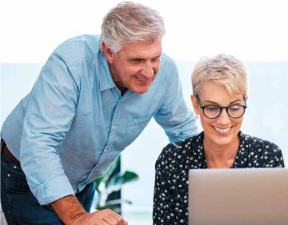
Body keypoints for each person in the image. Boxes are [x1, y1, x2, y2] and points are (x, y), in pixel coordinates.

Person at [0, 2, 198, 225]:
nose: (149, 71)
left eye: (155, 58)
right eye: (137, 60)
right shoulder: (72, 64)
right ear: (108, 51)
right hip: (25, 175)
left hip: (81, 183)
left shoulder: (165, 73)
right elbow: (39, 144)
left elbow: (185, 135)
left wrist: (215, 188)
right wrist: (76, 217)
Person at [153, 54, 285, 225]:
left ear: (245, 102)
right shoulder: (172, 159)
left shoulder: (267, 156)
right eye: (212, 108)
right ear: (195, 105)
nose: (224, 120)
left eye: (234, 107)